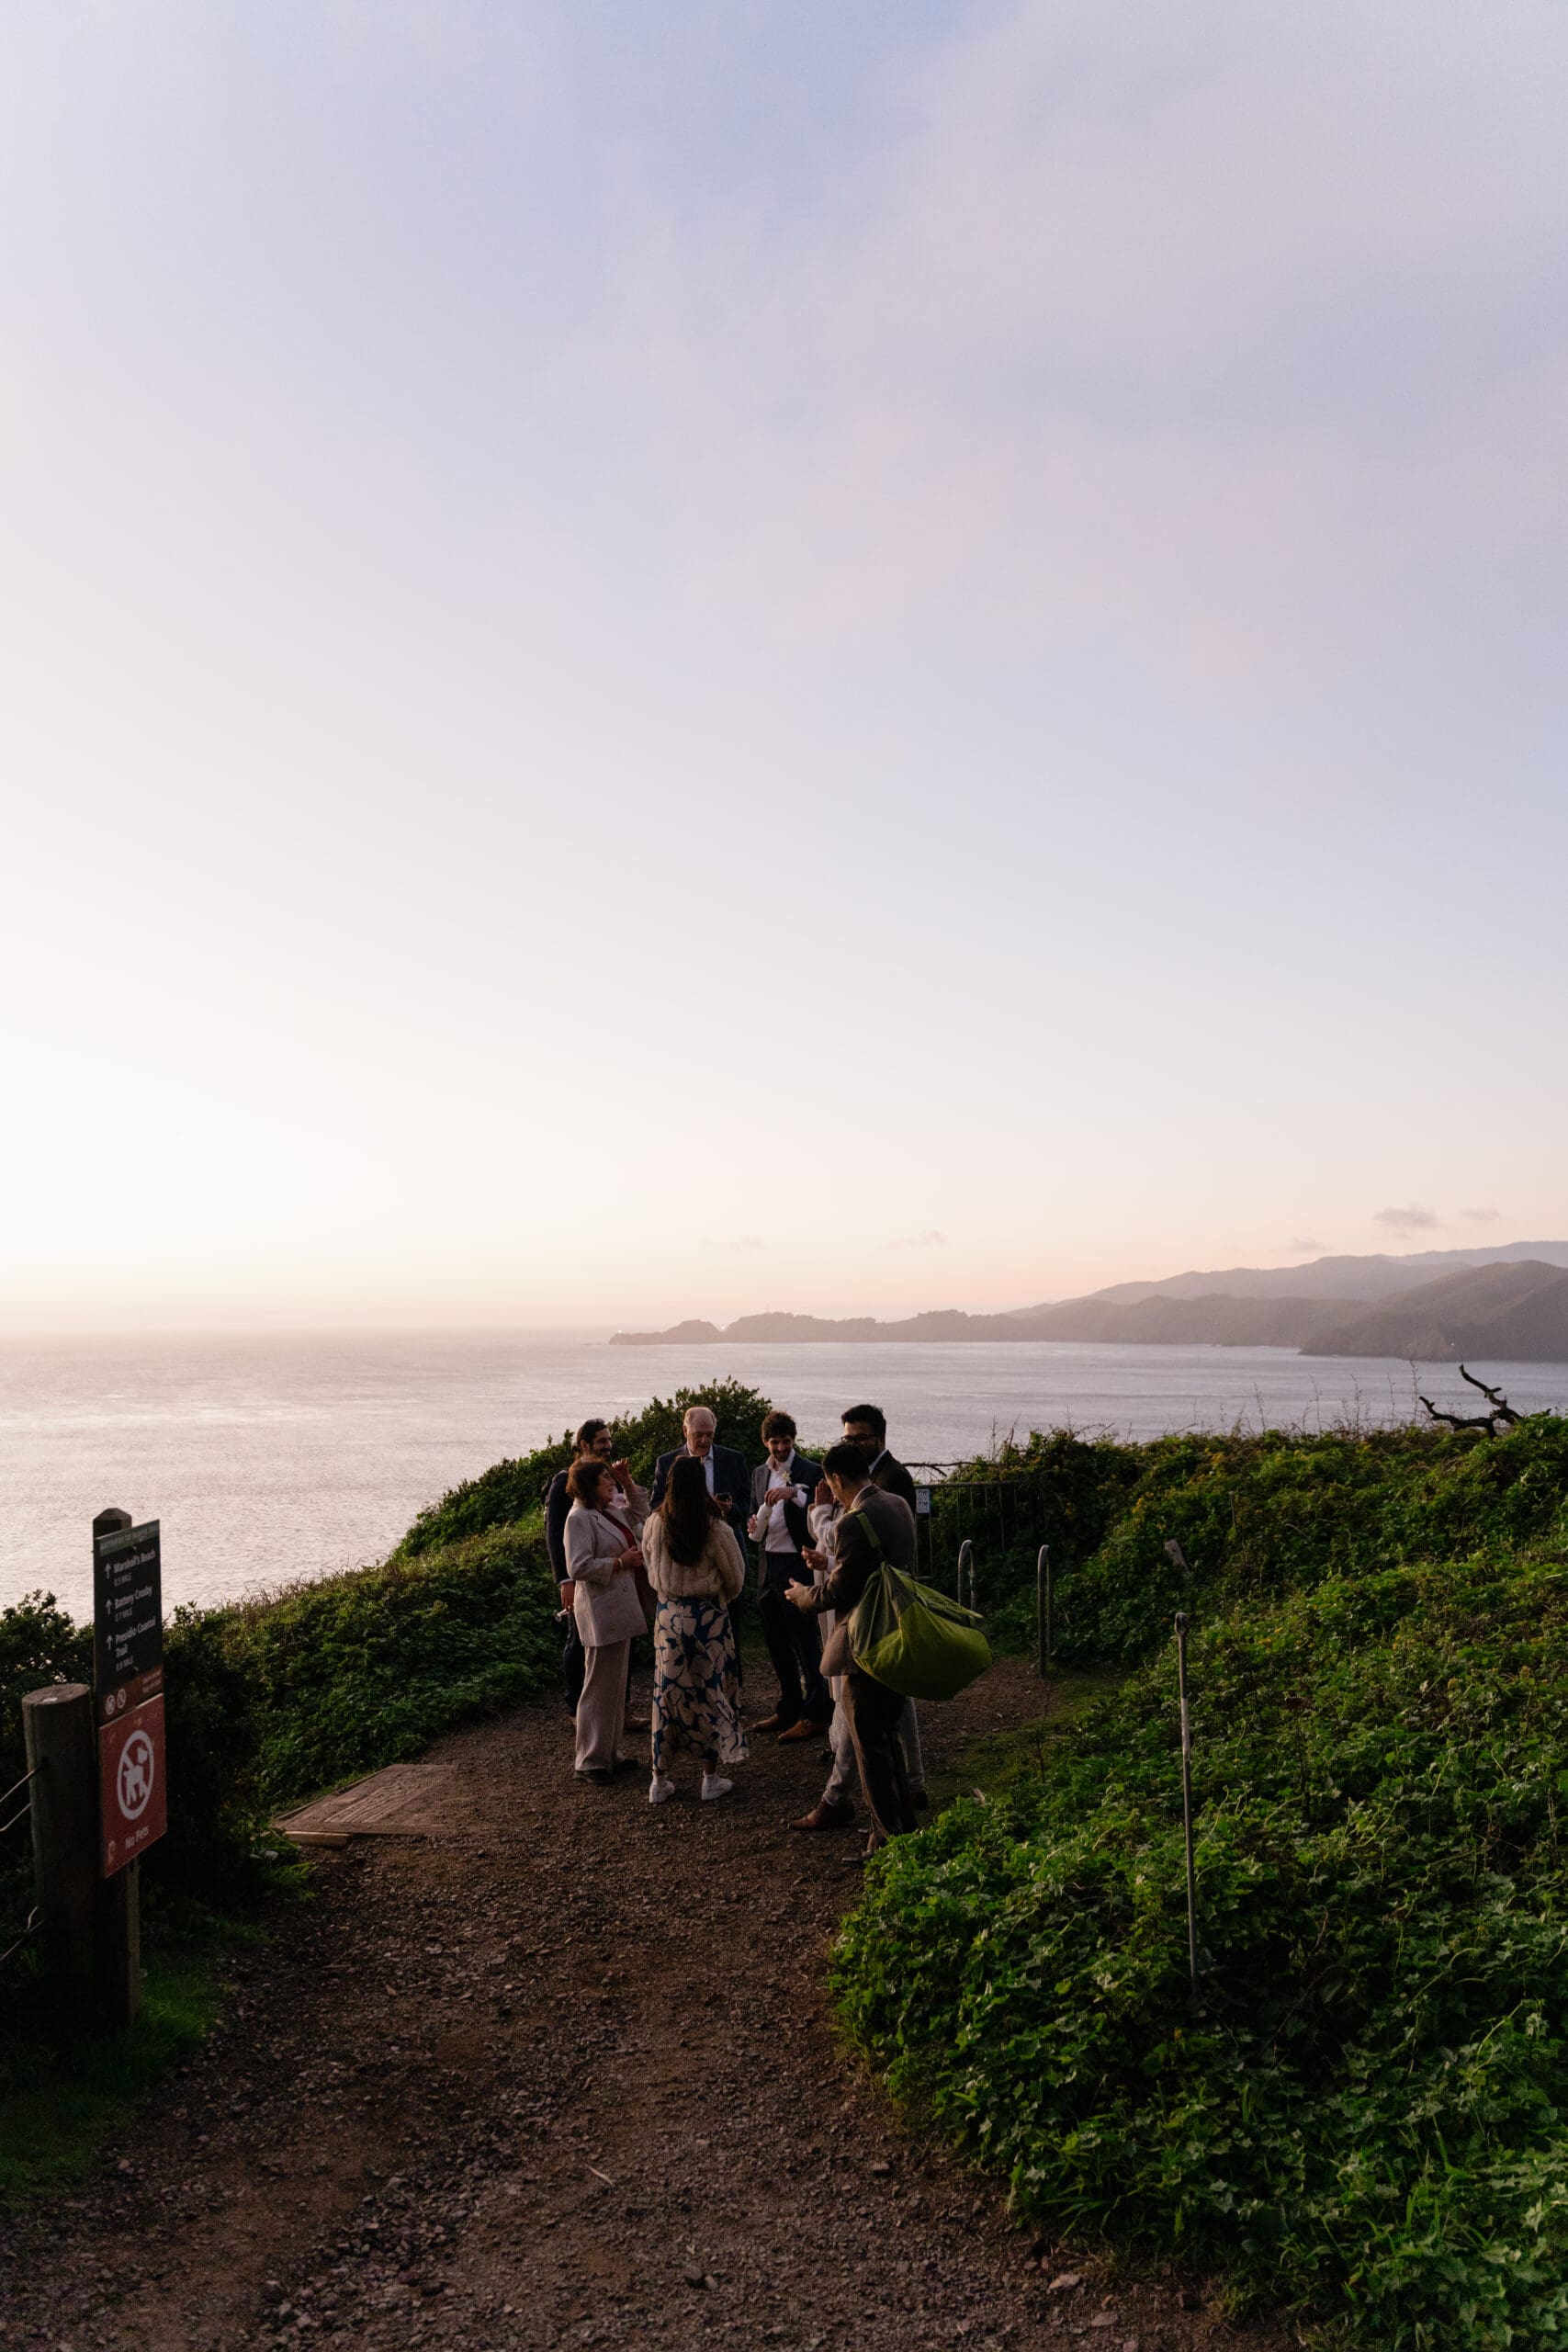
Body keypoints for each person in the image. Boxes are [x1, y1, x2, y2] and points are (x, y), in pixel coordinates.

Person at [786, 1443, 919, 1851]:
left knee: (870, 1749)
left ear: (837, 1479)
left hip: (867, 1644)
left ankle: (884, 1842)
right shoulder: (898, 1504)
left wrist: (802, 1595)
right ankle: (904, 1830)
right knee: (889, 1740)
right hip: (899, 1633)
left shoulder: (853, 1522)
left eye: (831, 1485)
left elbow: (838, 1591)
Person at [641, 1454, 749, 1804]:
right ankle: (709, 1778)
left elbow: (650, 1568)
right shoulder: (716, 1528)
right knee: (711, 1692)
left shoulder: (654, 1524)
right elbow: (736, 1578)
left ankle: (659, 1780)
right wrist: (717, 1600)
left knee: (667, 1694)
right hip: (708, 1619)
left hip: (668, 1617)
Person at [563, 1455, 649, 1784]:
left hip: (618, 1607)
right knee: (598, 1686)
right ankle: (589, 1760)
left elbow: (640, 1514)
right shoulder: (578, 1519)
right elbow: (578, 1566)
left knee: (615, 1686)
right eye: (605, 1479)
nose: (610, 1483)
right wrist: (619, 1562)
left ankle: (610, 1753)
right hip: (600, 1610)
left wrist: (627, 1481)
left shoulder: (607, 1510)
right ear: (589, 1486)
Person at [748, 1410, 829, 1742]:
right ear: (765, 1442)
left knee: (805, 1640)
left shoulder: (810, 1470)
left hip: (798, 1563)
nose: (781, 1448)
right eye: (775, 1442)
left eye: (786, 1442)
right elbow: (755, 1511)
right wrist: (752, 1522)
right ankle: (789, 1707)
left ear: (793, 1440)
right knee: (776, 1641)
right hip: (767, 1564)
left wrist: (793, 1493)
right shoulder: (758, 1473)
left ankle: (816, 1712)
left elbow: (823, 1508)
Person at [650, 1407, 752, 1664]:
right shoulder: (667, 1462)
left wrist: (728, 1509)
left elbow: (746, 1503)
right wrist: (686, 1510)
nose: (705, 1440)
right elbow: (656, 1505)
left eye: (709, 1434)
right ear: (685, 1431)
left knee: (733, 1618)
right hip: (680, 1549)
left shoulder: (733, 1459)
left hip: (726, 1541)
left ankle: (732, 1675)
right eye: (699, 1434)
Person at [545, 1419, 616, 1713]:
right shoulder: (565, 1481)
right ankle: (575, 1706)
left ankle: (617, 1707)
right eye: (601, 1441)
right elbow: (554, 1534)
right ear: (584, 1445)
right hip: (580, 1574)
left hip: (610, 1573)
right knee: (578, 1640)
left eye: (609, 1440)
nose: (608, 1446)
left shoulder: (607, 1476)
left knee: (614, 1637)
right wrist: (565, 1580)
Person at [840, 1403, 919, 1512]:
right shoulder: (868, 1474)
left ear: (881, 1437)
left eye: (861, 1438)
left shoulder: (896, 1477)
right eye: (848, 1439)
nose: (853, 1445)